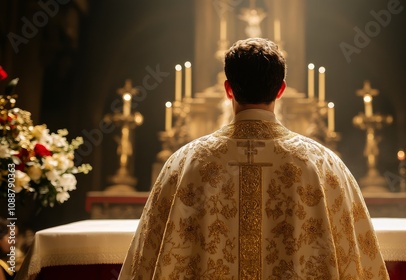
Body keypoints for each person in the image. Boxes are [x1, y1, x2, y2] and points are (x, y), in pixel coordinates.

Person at [119, 38, 389, 279]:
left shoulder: (184, 163)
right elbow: (359, 261)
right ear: (281, 90)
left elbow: (147, 260)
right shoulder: (324, 165)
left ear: (228, 89)